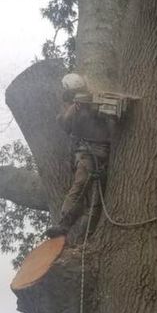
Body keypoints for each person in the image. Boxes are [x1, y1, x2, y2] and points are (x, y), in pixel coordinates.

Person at [46, 74, 112, 238]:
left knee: (96, 197)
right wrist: (75, 108)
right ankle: (64, 224)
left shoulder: (94, 98)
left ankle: (87, 235)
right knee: (81, 184)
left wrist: (97, 104)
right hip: (86, 153)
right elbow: (64, 124)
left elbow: (110, 113)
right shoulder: (69, 107)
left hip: (104, 150)